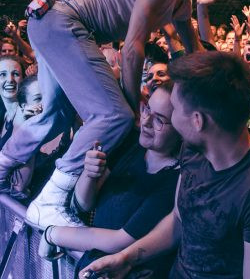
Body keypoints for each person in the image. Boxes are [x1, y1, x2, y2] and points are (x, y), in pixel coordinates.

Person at [0, 0, 239, 229]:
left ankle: (4, 166)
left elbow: (195, 56)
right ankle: (50, 201)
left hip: (46, 20)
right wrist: (131, 110)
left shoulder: (182, 1)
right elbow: (132, 48)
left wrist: (224, 84)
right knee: (115, 116)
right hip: (62, 21)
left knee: (57, 116)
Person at [80, 51, 250, 279]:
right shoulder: (193, 150)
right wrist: (126, 258)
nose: (171, 118)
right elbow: (179, 221)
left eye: (174, 109)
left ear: (197, 121)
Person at [40, 81, 181, 278]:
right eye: (147, 108)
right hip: (93, 267)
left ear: (181, 128)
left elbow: (119, 240)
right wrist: (89, 174)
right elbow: (84, 204)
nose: (146, 121)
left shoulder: (174, 179)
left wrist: (52, 234)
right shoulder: (132, 145)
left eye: (159, 119)